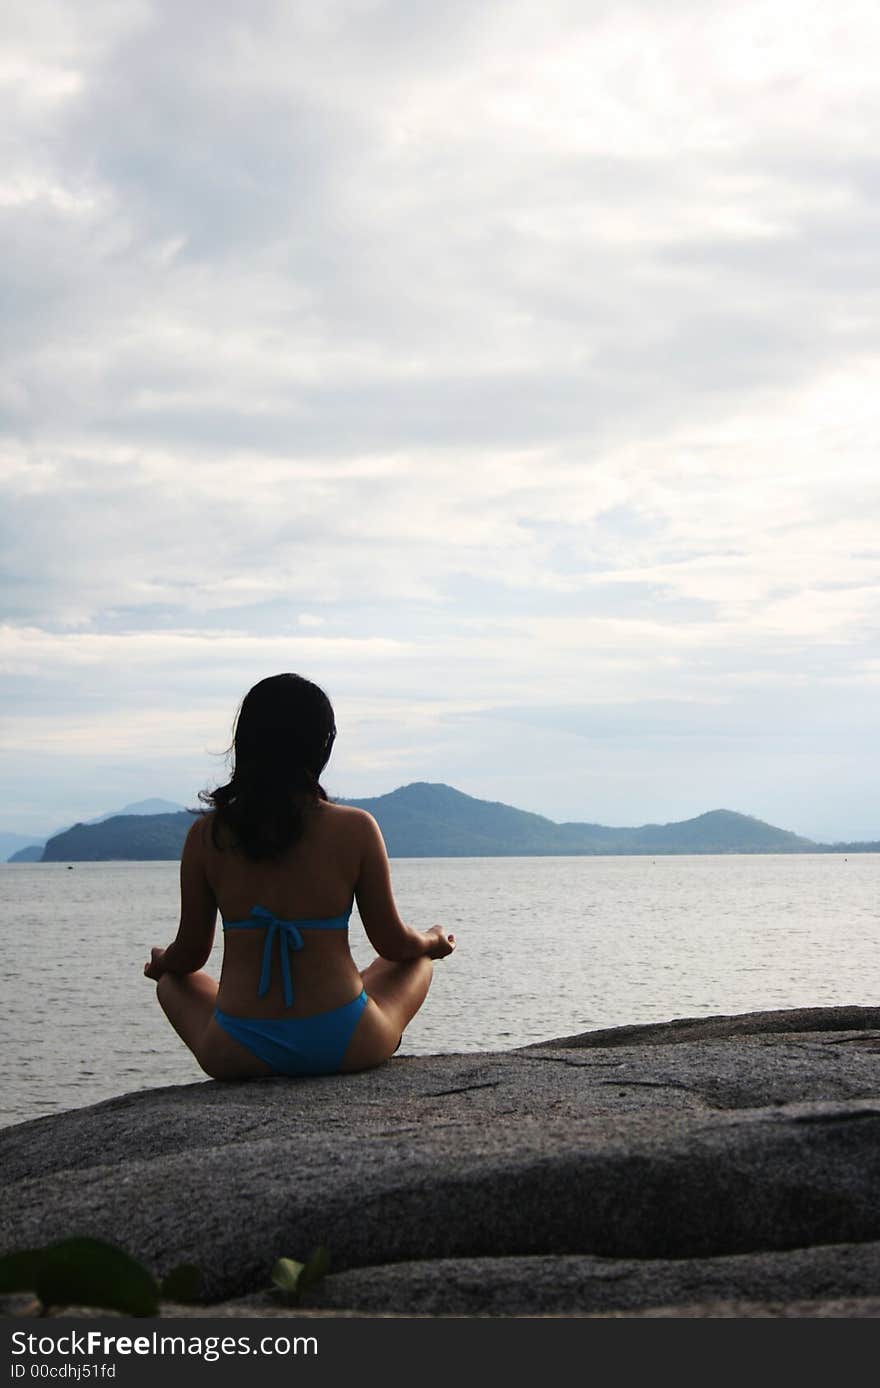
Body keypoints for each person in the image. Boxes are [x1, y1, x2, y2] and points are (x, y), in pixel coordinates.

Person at [144, 673, 456, 1079]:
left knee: (172, 982)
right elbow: (394, 944)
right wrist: (433, 940)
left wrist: (160, 962)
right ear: (321, 745)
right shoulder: (357, 828)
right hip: (346, 1042)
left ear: (246, 742)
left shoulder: (207, 835)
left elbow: (189, 956)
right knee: (418, 962)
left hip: (238, 1049)